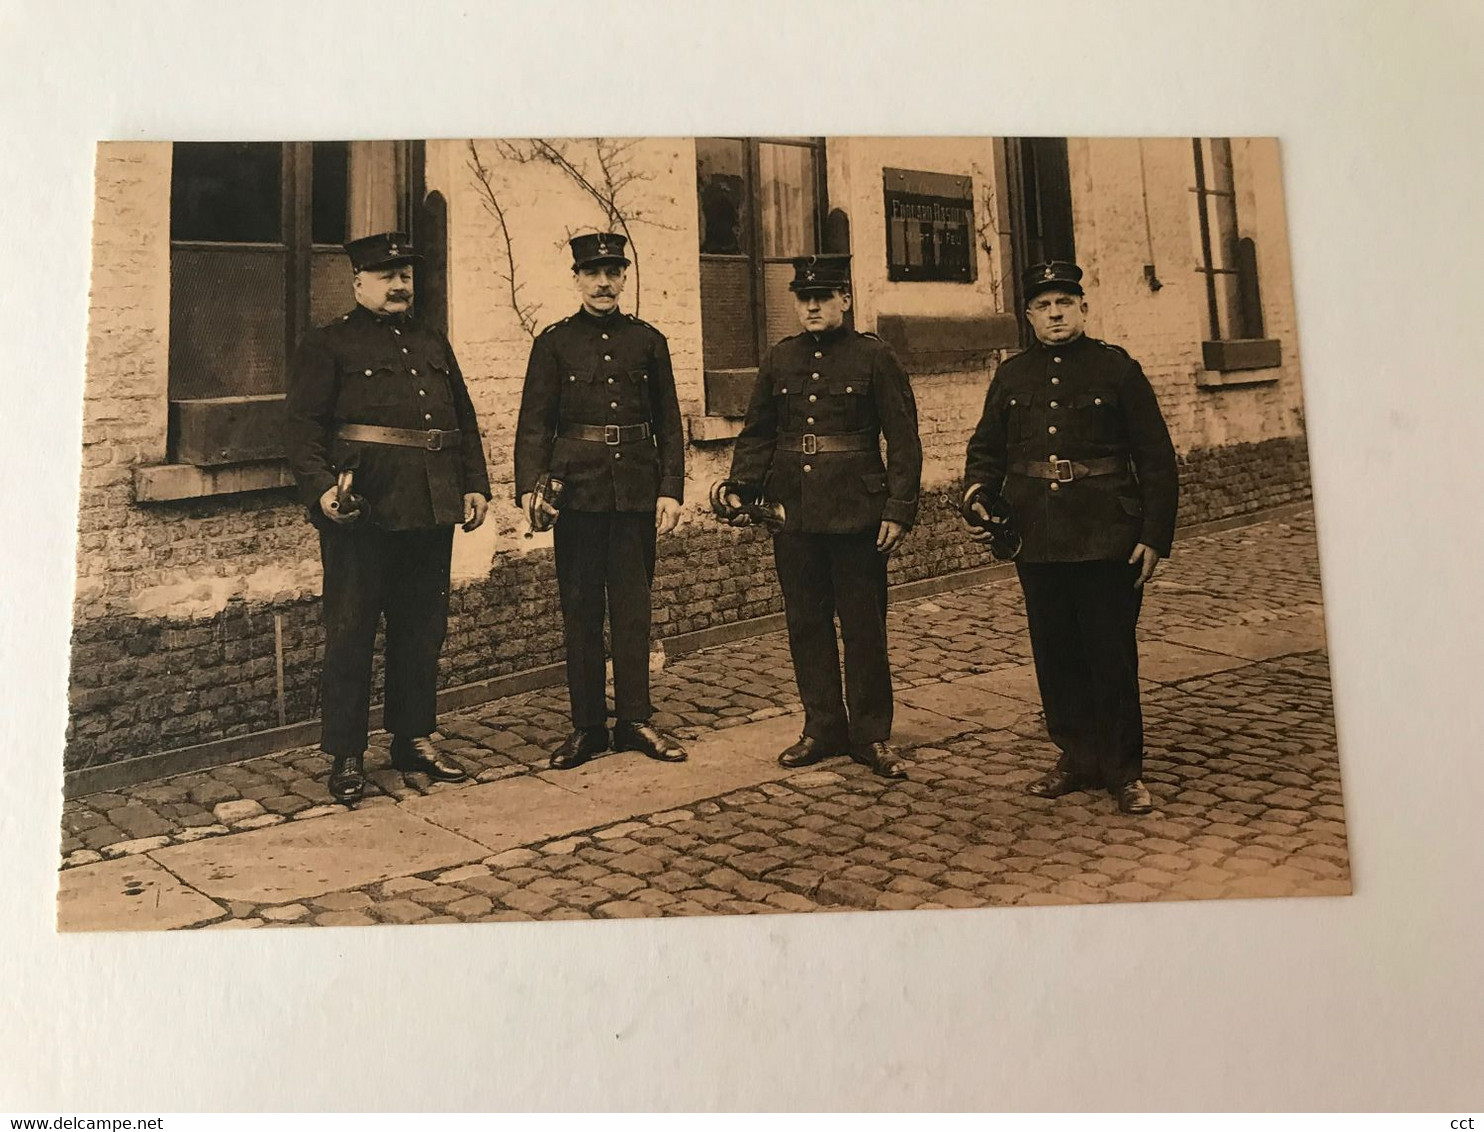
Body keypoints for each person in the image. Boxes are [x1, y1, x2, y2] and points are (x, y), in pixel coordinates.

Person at [283, 231, 491, 804]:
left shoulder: (431, 340)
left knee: (422, 629)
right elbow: (302, 431)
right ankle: (347, 753)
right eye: (385, 276)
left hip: (428, 504)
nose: (400, 286)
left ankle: (413, 737)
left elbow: (463, 419)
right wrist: (323, 491)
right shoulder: (327, 344)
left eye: (406, 276)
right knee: (351, 631)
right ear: (357, 283)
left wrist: (474, 483)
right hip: (361, 511)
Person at [963, 260, 1178, 814]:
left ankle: (1124, 770)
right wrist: (978, 491)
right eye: (1043, 305)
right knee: (1055, 651)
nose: (1055, 313)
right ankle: (1076, 757)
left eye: (1065, 302)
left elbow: (1155, 458)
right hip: (1037, 534)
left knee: (1109, 650)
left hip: (1108, 532)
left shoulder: (1117, 371)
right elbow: (987, 449)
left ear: (1083, 308)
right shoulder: (1012, 376)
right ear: (1028, 315)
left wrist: (1154, 535)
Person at [719, 254, 922, 778]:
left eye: (823, 297)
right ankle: (823, 726)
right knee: (806, 623)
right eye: (804, 298)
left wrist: (898, 509)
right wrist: (741, 485)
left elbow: (902, 440)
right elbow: (759, 433)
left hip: (857, 513)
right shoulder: (780, 359)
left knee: (863, 627)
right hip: (794, 514)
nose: (812, 306)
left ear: (844, 301)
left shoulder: (873, 357)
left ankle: (871, 734)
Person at [514, 232, 687, 770]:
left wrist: (670, 489)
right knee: (582, 611)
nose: (604, 282)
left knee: (633, 608)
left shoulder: (648, 341)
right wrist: (528, 488)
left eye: (614, 272)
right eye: (593, 273)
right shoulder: (554, 343)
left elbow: (670, 424)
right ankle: (587, 726)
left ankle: (635, 720)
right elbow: (534, 425)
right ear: (577, 279)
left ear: (625, 278)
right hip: (578, 494)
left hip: (635, 490)